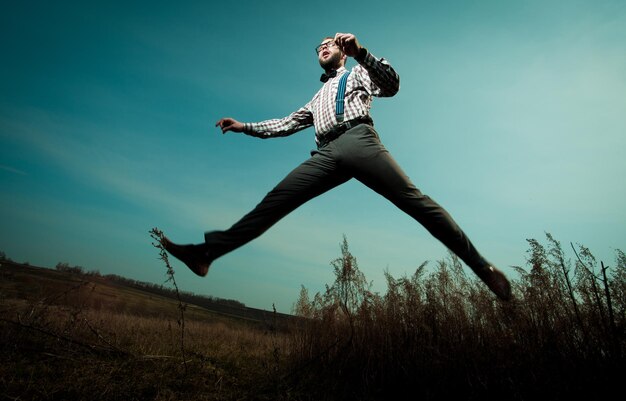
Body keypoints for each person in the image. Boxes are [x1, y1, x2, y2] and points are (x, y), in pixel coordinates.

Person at [162, 33, 511, 301]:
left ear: (342, 51)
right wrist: (245, 126)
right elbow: (284, 124)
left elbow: (392, 85)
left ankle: (482, 268)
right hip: (326, 153)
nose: (322, 48)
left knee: (416, 202)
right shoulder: (316, 98)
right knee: (274, 201)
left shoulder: (358, 72)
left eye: (328, 44)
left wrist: (362, 52)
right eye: (318, 48)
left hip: (361, 141)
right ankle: (206, 253)